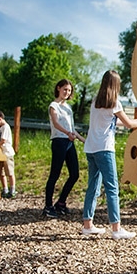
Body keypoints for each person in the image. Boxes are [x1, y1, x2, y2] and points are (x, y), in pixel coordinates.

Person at [81, 70, 137, 238]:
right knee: (112, 188)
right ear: (115, 85)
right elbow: (128, 124)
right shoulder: (115, 103)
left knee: (93, 187)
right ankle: (116, 229)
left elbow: (114, 121)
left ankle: (87, 225)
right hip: (104, 149)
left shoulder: (95, 102)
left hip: (91, 149)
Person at [43, 79, 85, 218]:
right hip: (59, 141)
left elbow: (72, 129)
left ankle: (61, 202)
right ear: (58, 88)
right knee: (55, 174)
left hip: (69, 142)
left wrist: (84, 140)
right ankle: (48, 206)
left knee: (75, 174)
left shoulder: (68, 107)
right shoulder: (53, 106)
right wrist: (67, 133)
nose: (67, 92)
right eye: (65, 89)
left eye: (69, 90)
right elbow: (55, 123)